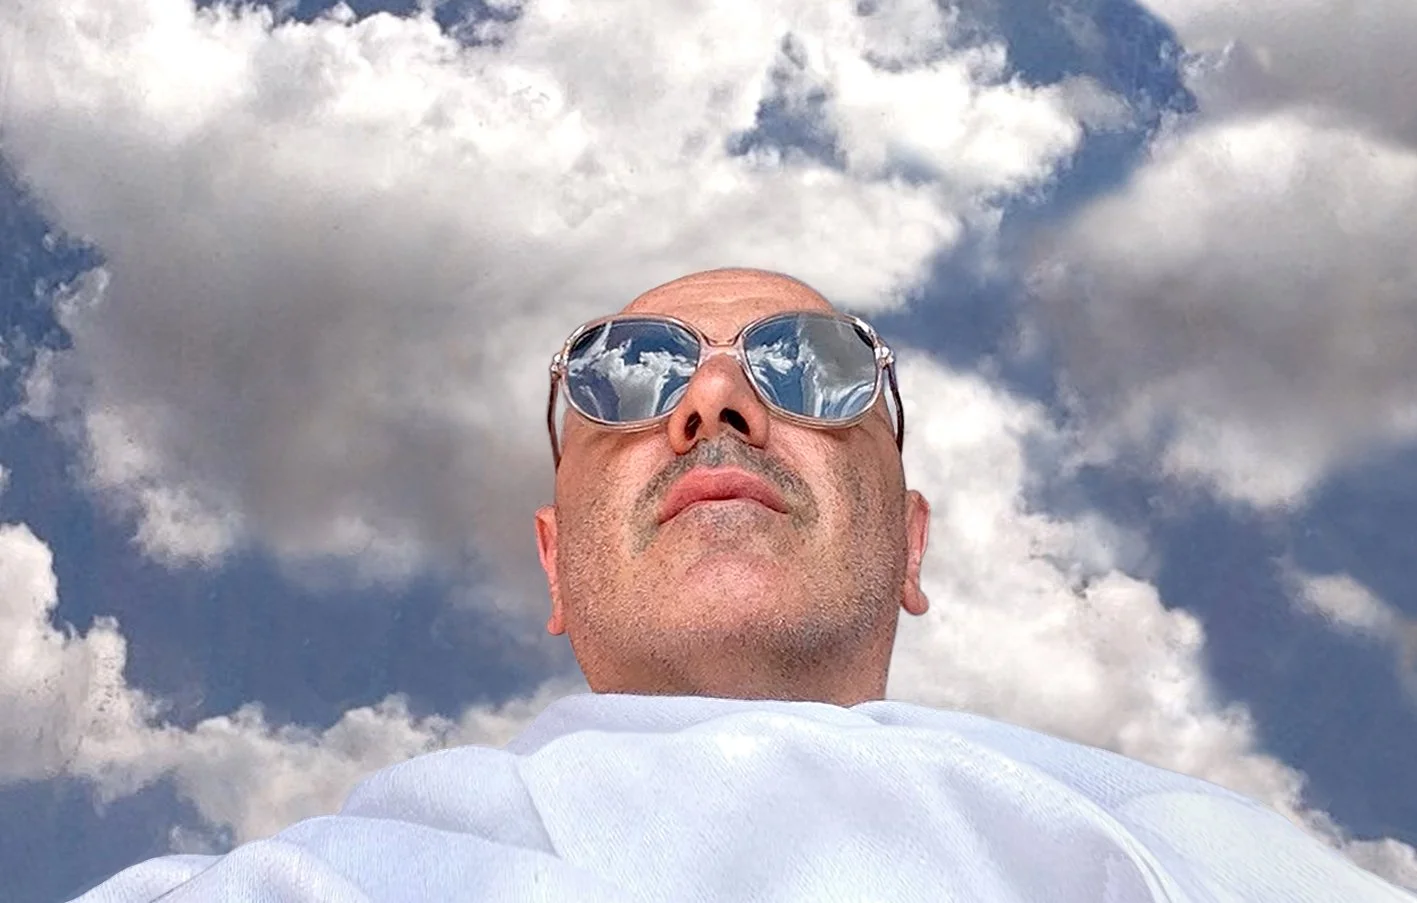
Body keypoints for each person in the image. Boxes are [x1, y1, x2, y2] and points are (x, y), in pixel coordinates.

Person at [74, 268, 1413, 901]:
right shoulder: (325, 883)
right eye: (624, 373)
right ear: (555, 566)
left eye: (813, 365)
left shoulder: (1223, 863)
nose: (713, 402)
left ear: (911, 548)